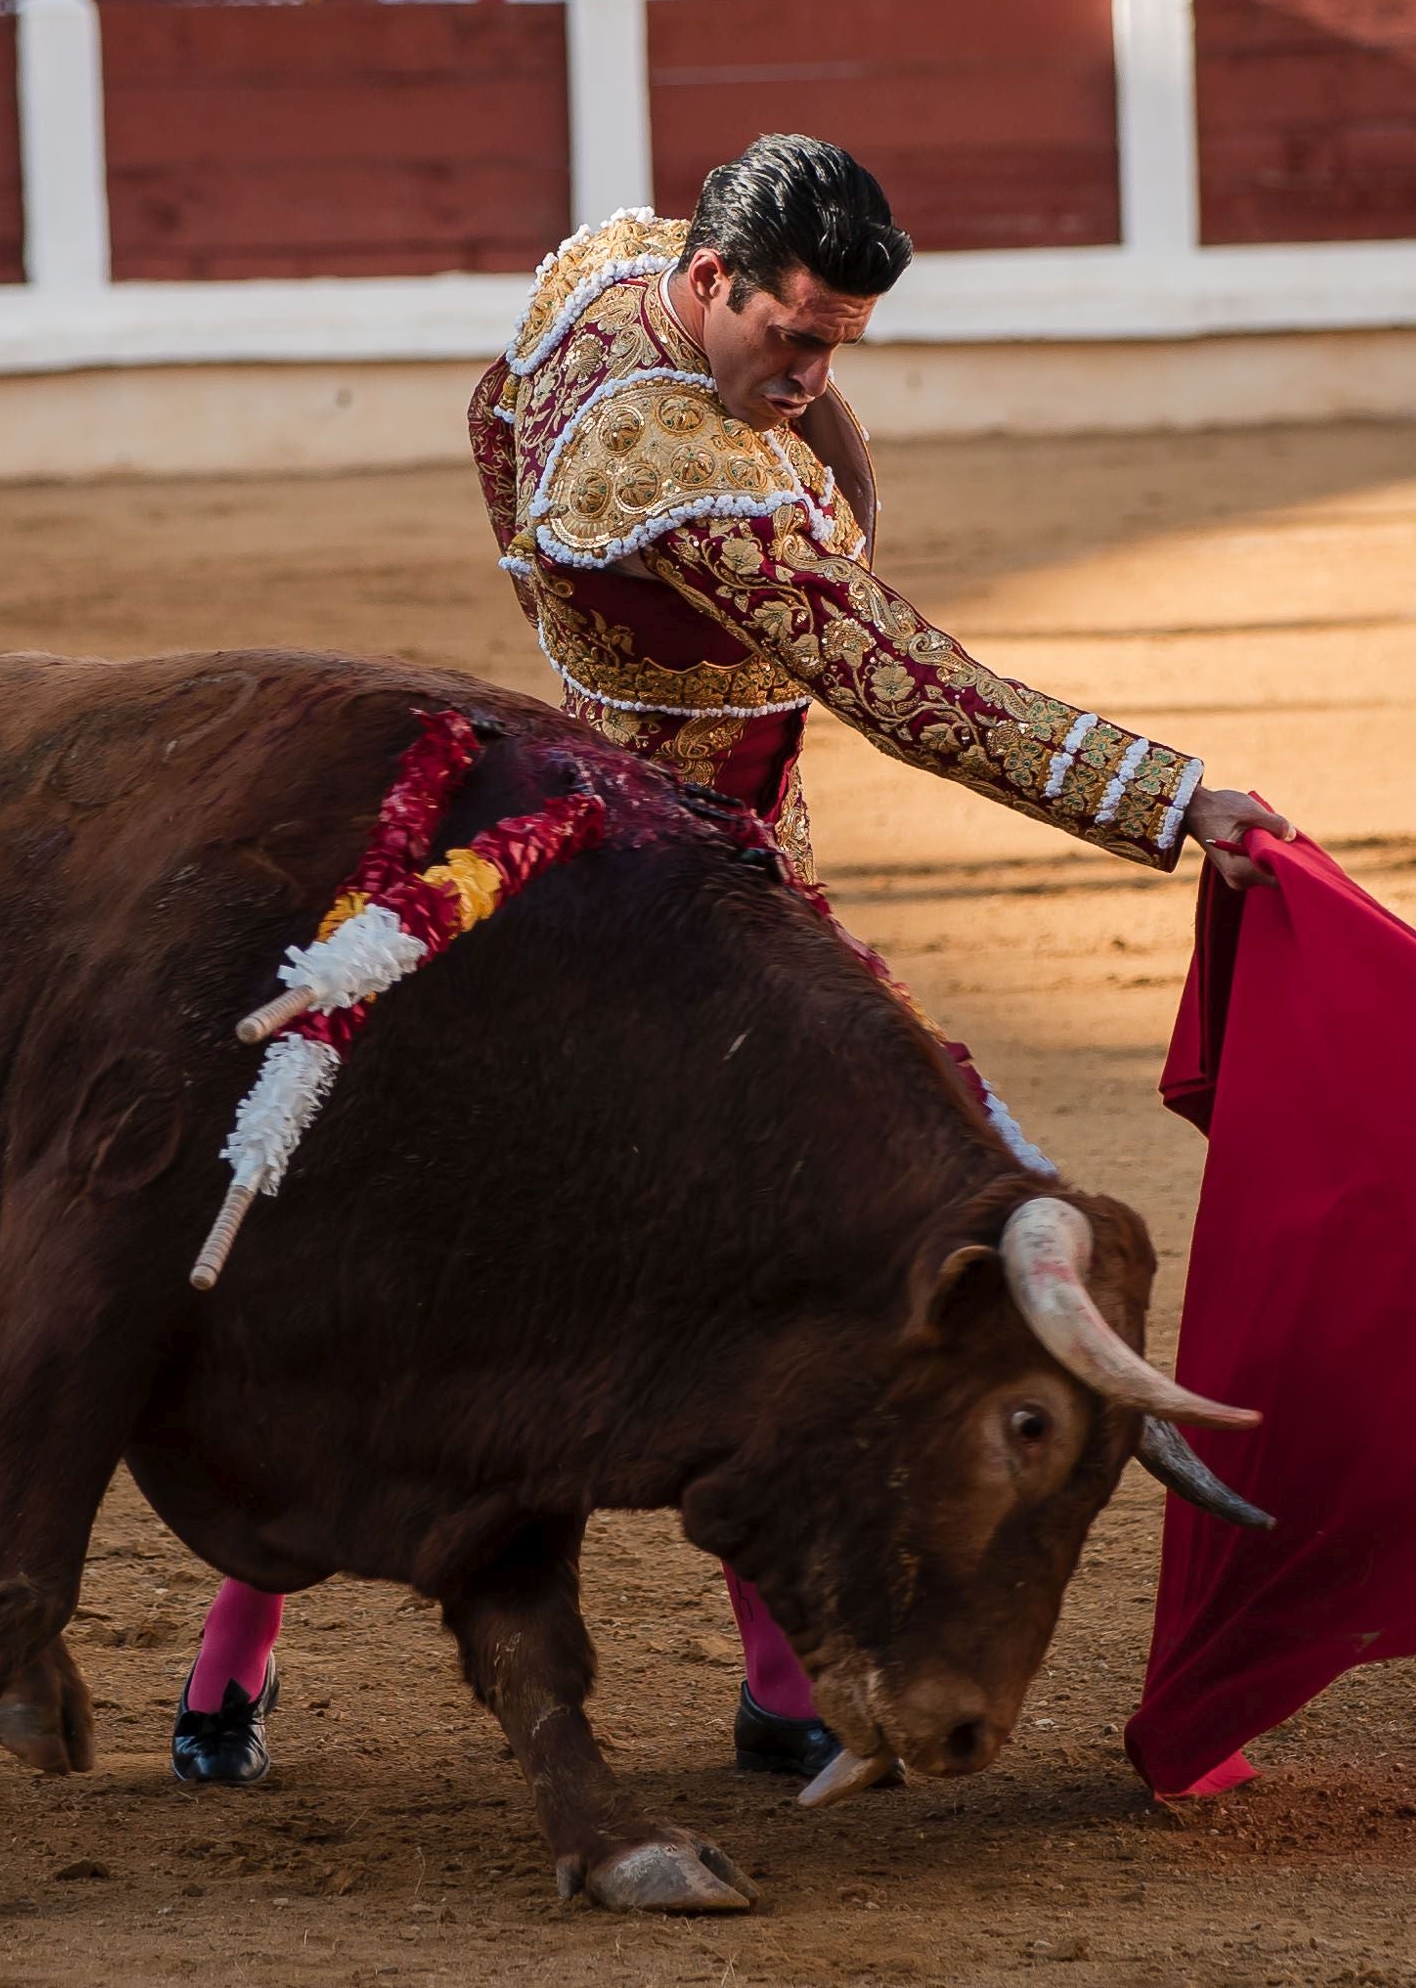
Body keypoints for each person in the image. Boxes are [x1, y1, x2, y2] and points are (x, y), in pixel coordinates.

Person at [172, 134, 1294, 1788]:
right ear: (715, 282)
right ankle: (767, 1686)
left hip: (561, 809)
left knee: (441, 1283)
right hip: (697, 901)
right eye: (798, 335)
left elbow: (494, 410)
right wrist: (1169, 793)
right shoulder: (684, 472)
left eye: (842, 336)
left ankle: (227, 1681)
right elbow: (913, 684)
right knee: (765, 1278)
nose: (816, 365)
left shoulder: (607, 273)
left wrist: (788, 434)